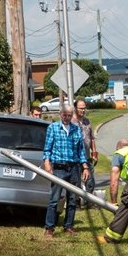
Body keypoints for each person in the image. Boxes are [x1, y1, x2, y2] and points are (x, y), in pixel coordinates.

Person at [41, 103, 90, 237]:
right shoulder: (53, 128)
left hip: (74, 168)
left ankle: (68, 225)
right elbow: (47, 149)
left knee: (72, 199)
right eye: (64, 115)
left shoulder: (76, 129)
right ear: (60, 114)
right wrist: (47, 163)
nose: (67, 118)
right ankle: (49, 227)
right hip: (59, 167)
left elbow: (80, 150)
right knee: (54, 199)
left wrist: (84, 166)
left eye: (69, 115)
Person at [74, 100, 98, 198]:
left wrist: (95, 153)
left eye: (84, 108)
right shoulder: (71, 122)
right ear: (75, 108)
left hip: (87, 156)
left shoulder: (87, 121)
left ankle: (90, 200)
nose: (83, 110)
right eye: (81, 108)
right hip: (75, 158)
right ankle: (77, 201)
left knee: (90, 180)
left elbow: (91, 139)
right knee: (76, 181)